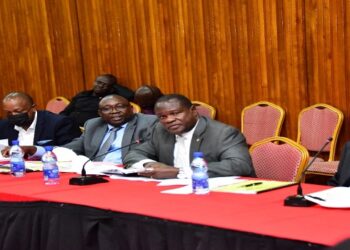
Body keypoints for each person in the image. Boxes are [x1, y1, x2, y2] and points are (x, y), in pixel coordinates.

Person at [124, 94, 255, 179]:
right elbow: (134, 154)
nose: (169, 120)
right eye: (162, 117)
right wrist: (151, 164)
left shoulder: (223, 133)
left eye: (175, 113)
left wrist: (179, 172)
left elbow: (239, 165)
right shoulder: (160, 130)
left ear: (193, 111)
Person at [63, 94, 158, 163]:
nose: (114, 112)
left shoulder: (148, 123)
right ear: (100, 113)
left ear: (131, 109)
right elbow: (75, 145)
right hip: (94, 171)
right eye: (106, 109)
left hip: (127, 171)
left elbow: (150, 151)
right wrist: (53, 153)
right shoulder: (93, 124)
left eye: (120, 107)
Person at [0, 91, 81, 156]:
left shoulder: (59, 123)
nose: (14, 115)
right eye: (9, 113)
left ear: (33, 108)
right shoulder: (3, 126)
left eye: (18, 111)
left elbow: (71, 151)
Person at [60, 74, 134, 127]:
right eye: (98, 82)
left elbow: (130, 95)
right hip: (70, 125)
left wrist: (115, 85)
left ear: (111, 88)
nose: (100, 86)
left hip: (90, 129)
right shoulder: (83, 94)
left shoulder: (109, 99)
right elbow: (67, 111)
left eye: (105, 84)